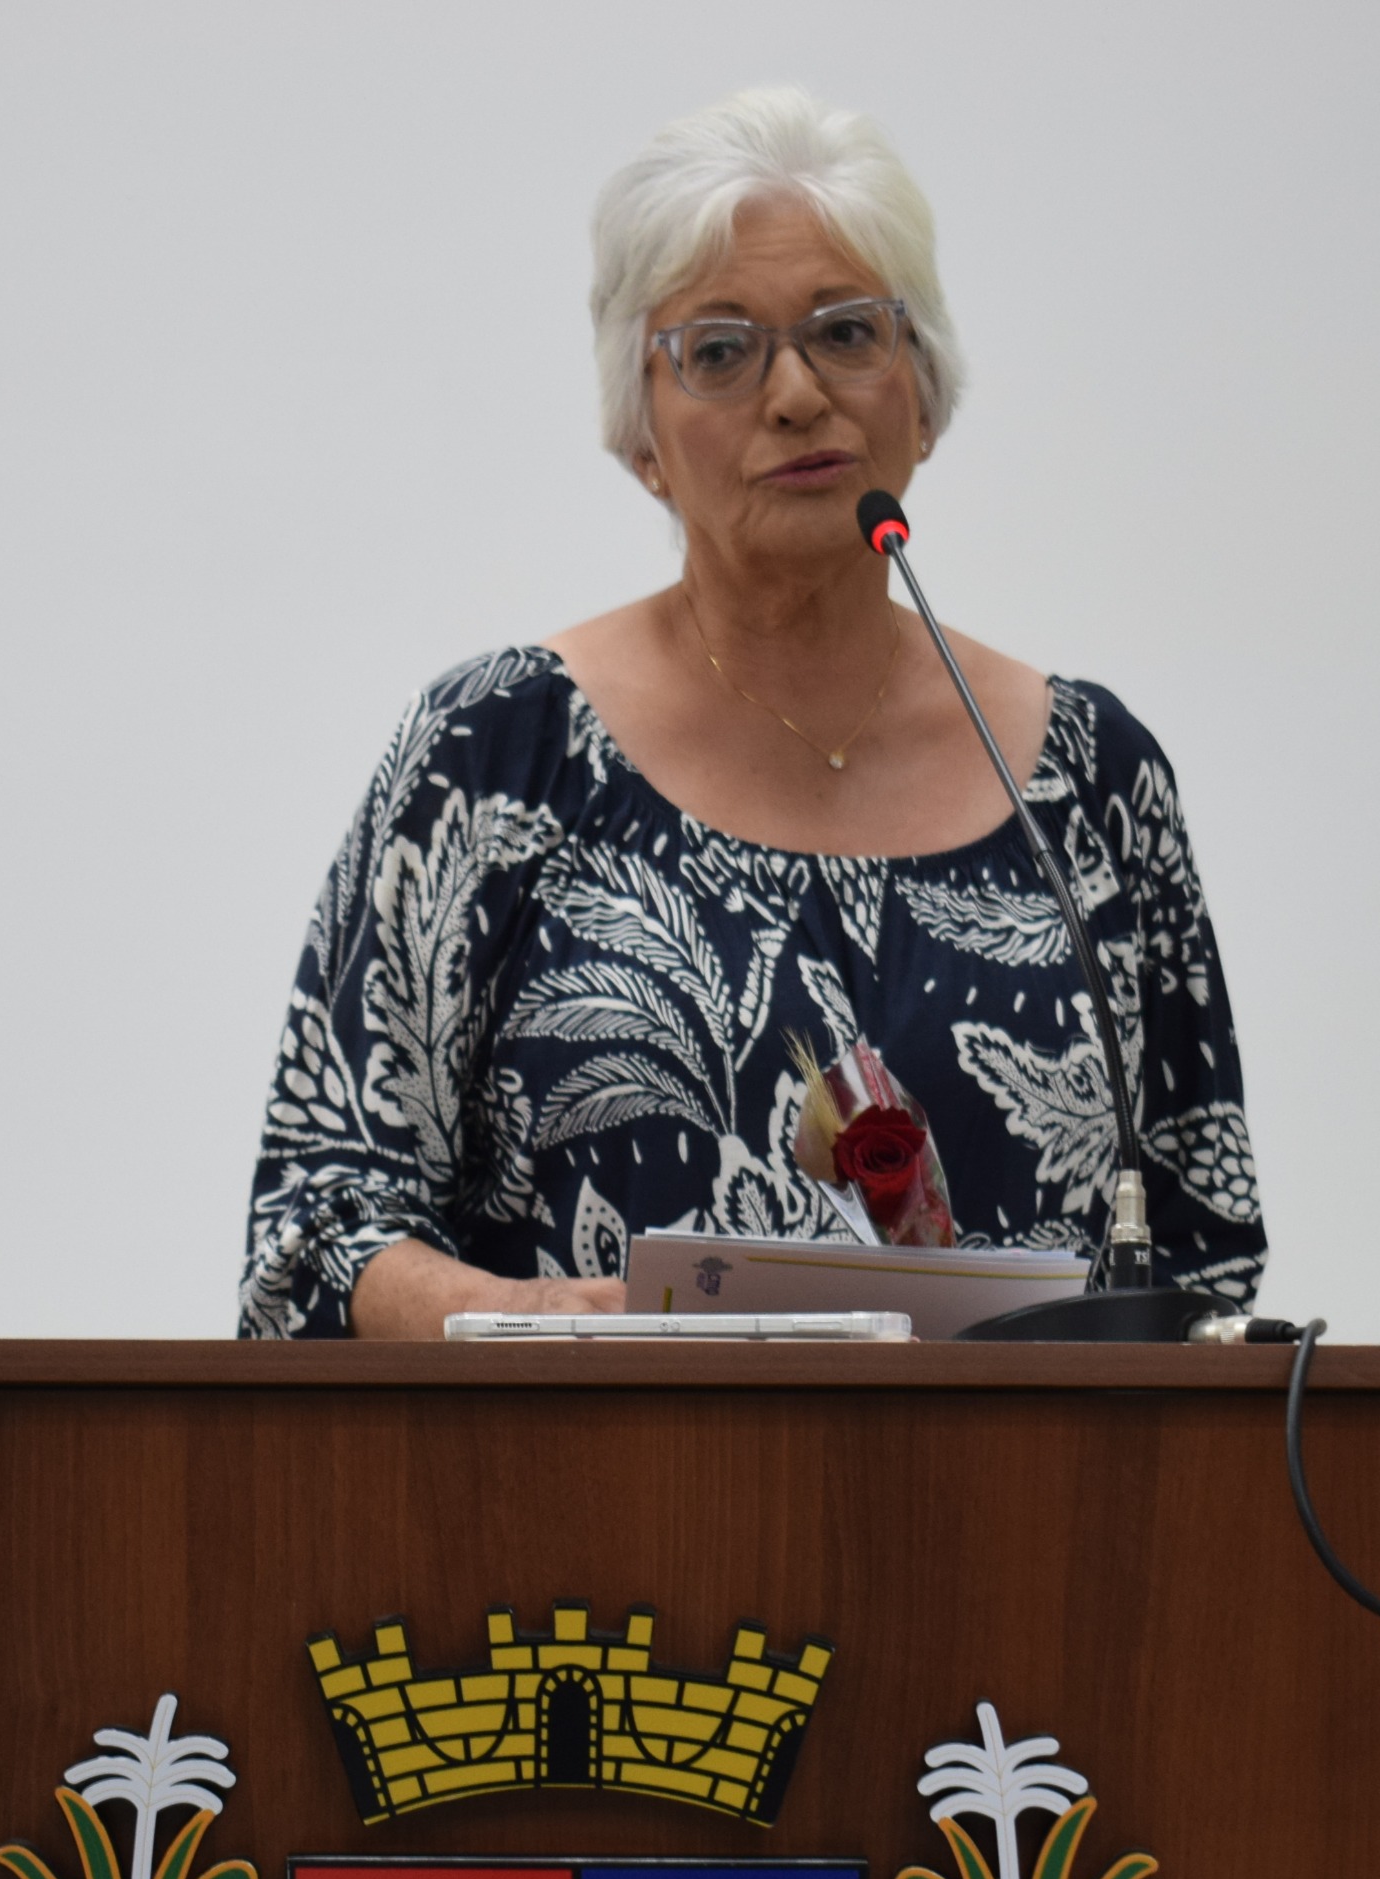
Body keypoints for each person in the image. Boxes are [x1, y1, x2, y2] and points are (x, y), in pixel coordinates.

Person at [237, 86, 1265, 1340]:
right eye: (719, 352)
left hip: (1027, 1476)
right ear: (641, 437)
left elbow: (1205, 1258)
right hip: (588, 1463)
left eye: (845, 333)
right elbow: (312, 1234)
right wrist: (538, 1320)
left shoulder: (1089, 779)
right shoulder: (493, 754)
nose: (793, 394)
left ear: (921, 396)